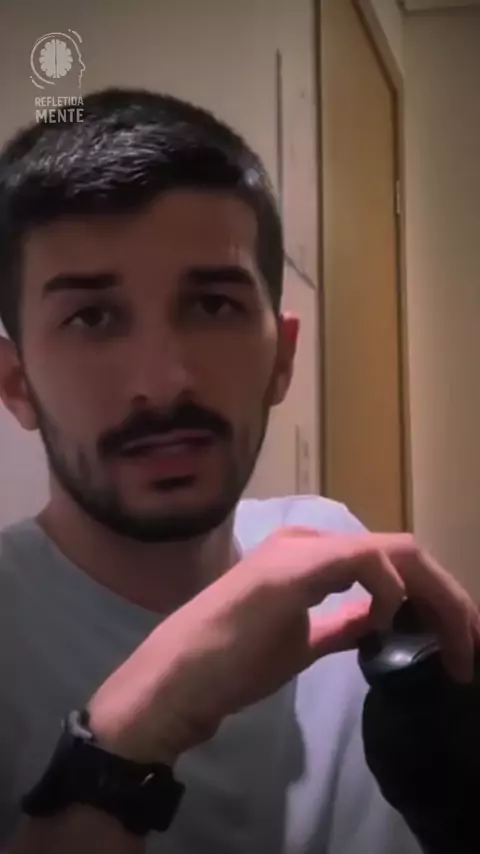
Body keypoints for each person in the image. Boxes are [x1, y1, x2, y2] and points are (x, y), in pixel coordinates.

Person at [0, 87, 477, 854]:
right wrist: (131, 736)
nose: (164, 382)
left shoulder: (335, 558)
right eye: (92, 317)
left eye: (212, 306)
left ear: (282, 358)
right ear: (16, 383)